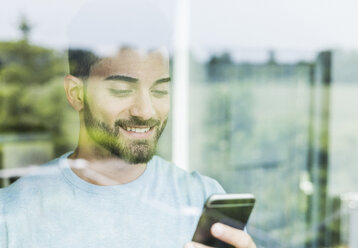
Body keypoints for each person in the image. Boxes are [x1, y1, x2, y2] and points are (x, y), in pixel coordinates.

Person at [0, 1, 256, 248]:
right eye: (122, 91)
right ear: (76, 94)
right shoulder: (11, 216)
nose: (145, 111)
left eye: (159, 91)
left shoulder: (202, 199)